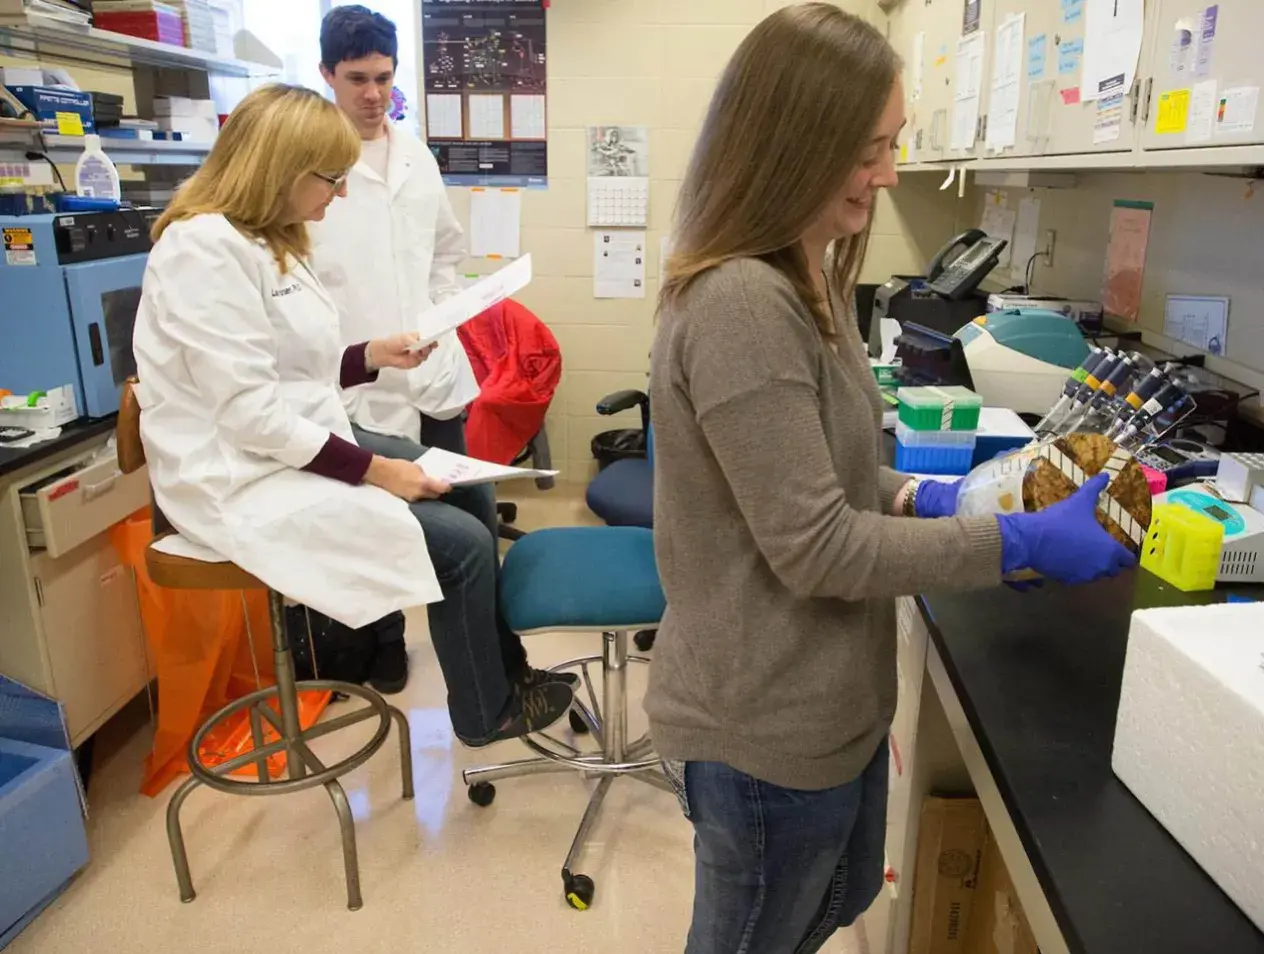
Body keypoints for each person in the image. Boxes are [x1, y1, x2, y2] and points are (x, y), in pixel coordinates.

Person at [645, 7, 1136, 953]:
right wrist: (1013, 542)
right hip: (764, 728)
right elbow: (817, 548)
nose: (889, 174)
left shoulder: (806, 276)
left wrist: (923, 495)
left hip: (825, 704)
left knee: (827, 909)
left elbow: (816, 468)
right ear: (795, 145)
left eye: (893, 143)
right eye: (869, 150)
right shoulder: (742, 301)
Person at [132, 83, 573, 748]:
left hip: (290, 441)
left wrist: (369, 357)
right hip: (237, 477)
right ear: (279, 169)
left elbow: (287, 369)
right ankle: (487, 711)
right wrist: (378, 472)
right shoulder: (202, 251)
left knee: (471, 489)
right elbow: (251, 415)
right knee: (460, 546)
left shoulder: (266, 239)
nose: (339, 196)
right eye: (331, 179)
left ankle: (506, 673)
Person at [308, 6, 574, 704]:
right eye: (358, 79)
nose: (373, 94)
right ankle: (385, 641)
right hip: (358, 389)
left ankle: (504, 668)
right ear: (326, 74)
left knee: (475, 529)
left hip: (435, 380)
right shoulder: (311, 169)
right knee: (382, 532)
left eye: (384, 78)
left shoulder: (416, 155)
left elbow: (444, 256)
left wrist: (445, 313)